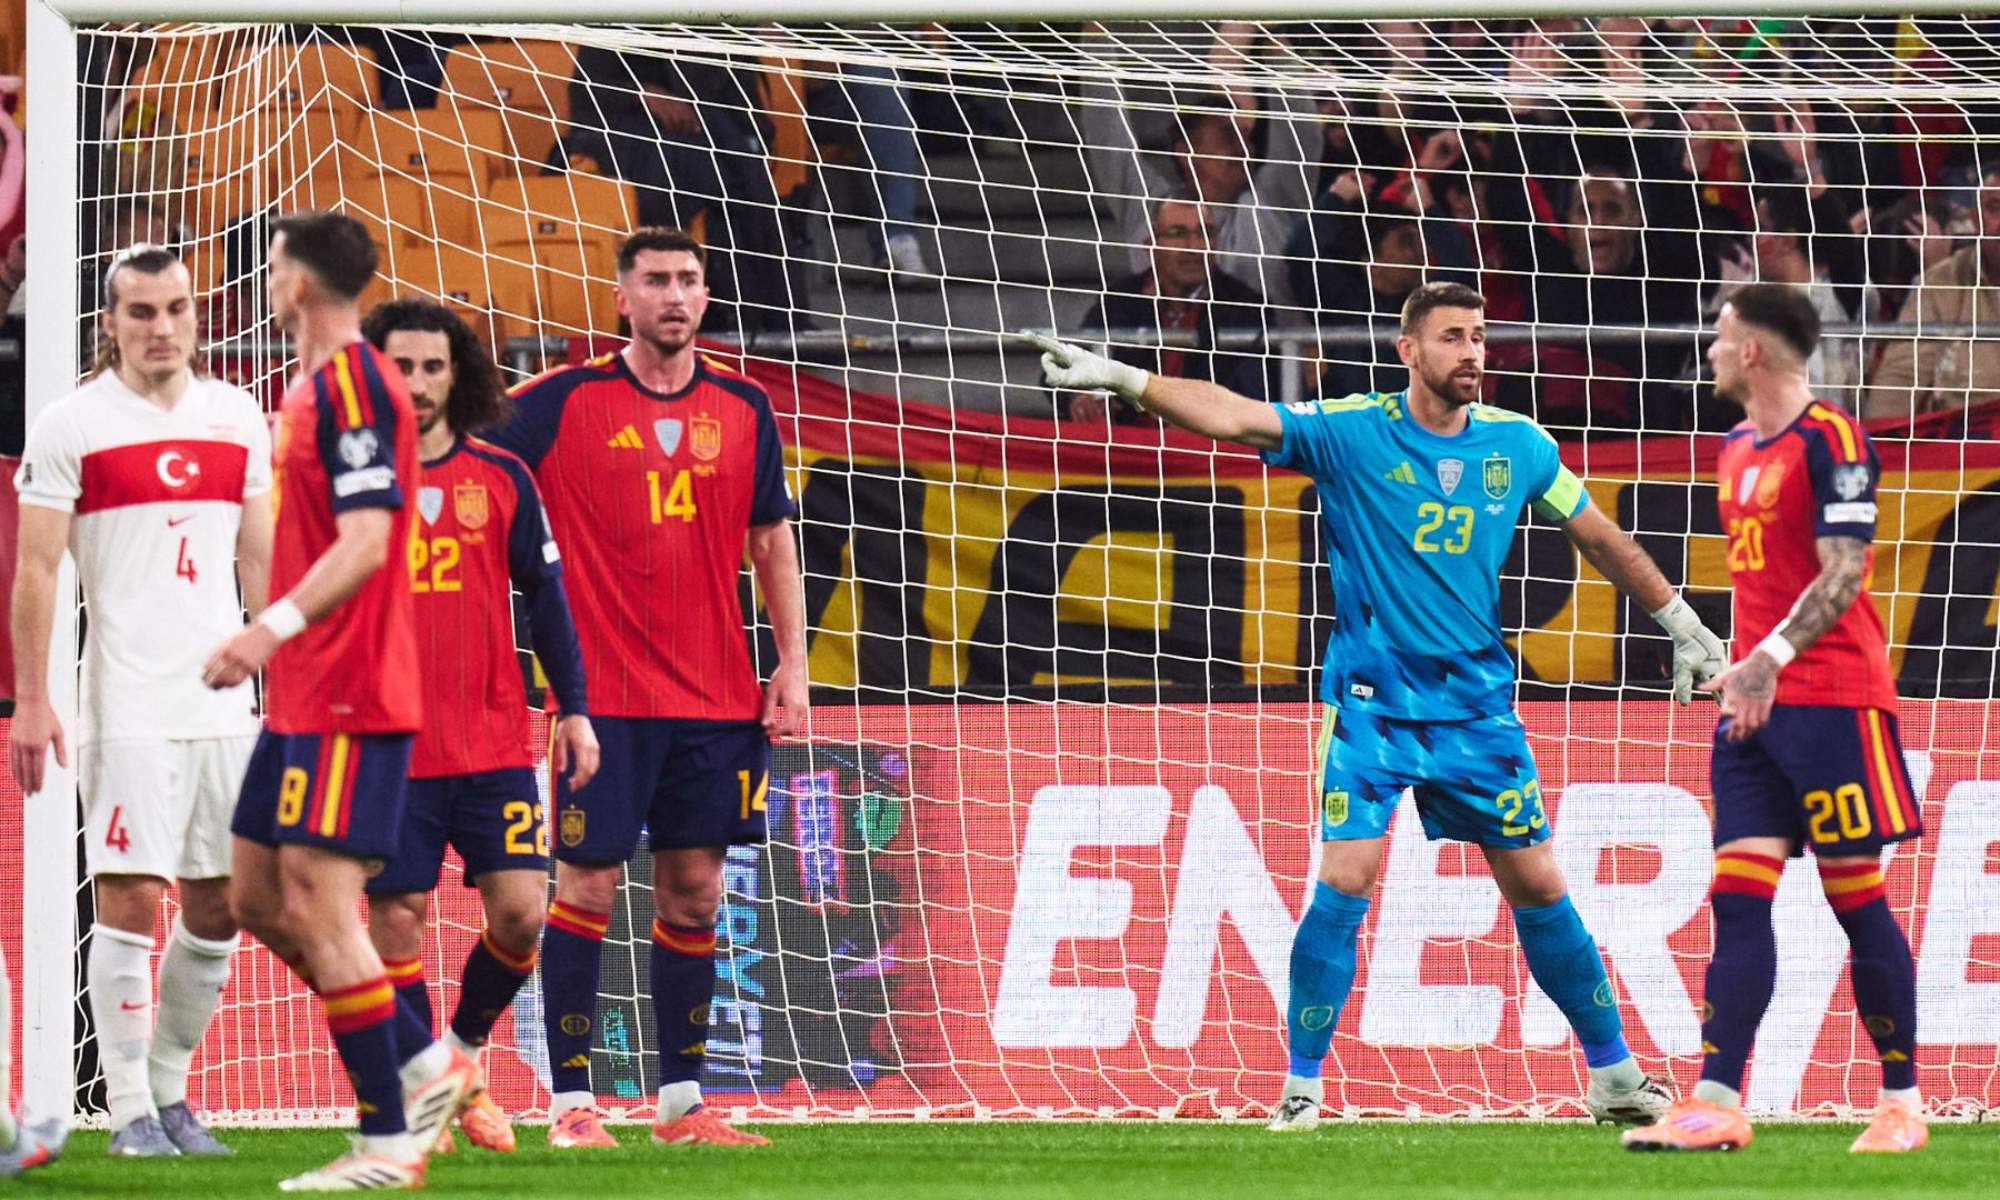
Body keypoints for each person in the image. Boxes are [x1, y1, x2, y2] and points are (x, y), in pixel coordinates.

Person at [1029, 280, 1728, 1133]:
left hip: (1475, 709)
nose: (1472, 353)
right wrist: (1127, 379)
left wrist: (1682, 623)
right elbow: (1237, 416)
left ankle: (1614, 1078)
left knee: (1539, 884)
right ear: (1409, 349)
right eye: (1452, 337)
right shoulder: (1353, 431)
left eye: (1479, 337)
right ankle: (1302, 1088)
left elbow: (1601, 538)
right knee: (1345, 877)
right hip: (1372, 706)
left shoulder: (1519, 445)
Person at [485, 226, 806, 1150]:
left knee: (696, 894)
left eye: (688, 279)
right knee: (585, 887)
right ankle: (571, 1104)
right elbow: (458, 456)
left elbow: (771, 539)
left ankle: (681, 1104)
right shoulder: (559, 401)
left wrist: (791, 663)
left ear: (706, 295)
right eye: (656, 280)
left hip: (716, 700)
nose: (674, 295)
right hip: (602, 702)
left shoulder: (744, 406)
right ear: (621, 298)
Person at [201, 211, 475, 1191]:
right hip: (302, 695)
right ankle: (427, 1063)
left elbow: (367, 542)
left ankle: (388, 1143)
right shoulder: (309, 388)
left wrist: (264, 630)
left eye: (273, 267)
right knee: (252, 897)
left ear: (299, 283)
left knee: (323, 908)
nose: (267, 281)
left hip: (349, 690)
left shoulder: (357, 386)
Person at [1624, 284, 1927, 1154]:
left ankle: (1901, 1104)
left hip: (1834, 701)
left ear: (1752, 350)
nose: (1710, 350)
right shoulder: (1732, 448)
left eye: (1720, 336)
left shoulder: (1832, 439)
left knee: (1853, 897)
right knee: (1737, 895)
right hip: (1754, 711)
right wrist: (1746, 663)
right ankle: (1717, 1101)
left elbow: (1844, 571)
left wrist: (1772, 657)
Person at [9, 244, 270, 1157]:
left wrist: (285, 684)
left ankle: (170, 1093)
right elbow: (36, 570)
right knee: (129, 897)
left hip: (224, 707)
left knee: (223, 903)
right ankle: (127, 1113)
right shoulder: (72, 424)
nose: (162, 328)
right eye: (142, 311)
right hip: (125, 705)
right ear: (109, 323)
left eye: (176, 309)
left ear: (197, 315)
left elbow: (259, 557)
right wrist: (33, 700)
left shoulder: (238, 416)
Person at [359, 297, 600, 1154]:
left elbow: (547, 599)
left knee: (523, 916)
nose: (419, 382)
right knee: (396, 919)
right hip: (388, 747)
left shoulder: (500, 477)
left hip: (492, 742)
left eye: (433, 366)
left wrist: (574, 708)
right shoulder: (349, 481)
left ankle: (459, 1055)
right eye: (402, 367)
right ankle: (424, 1091)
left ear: (456, 374)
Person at [1067, 194, 1272, 422]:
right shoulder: (1118, 300)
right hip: (1130, 438)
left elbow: (1254, 393)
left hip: (1206, 437)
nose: (1194, 247)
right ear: (1151, 245)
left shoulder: (1246, 307)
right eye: (1177, 233)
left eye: (1204, 233)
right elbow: (1060, 365)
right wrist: (1079, 395)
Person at [1864, 162, 2000, 421]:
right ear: (1975, 219)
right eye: (1995, 208)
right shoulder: (1940, 284)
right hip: (1968, 441)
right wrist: (1884, 440)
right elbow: (1899, 380)